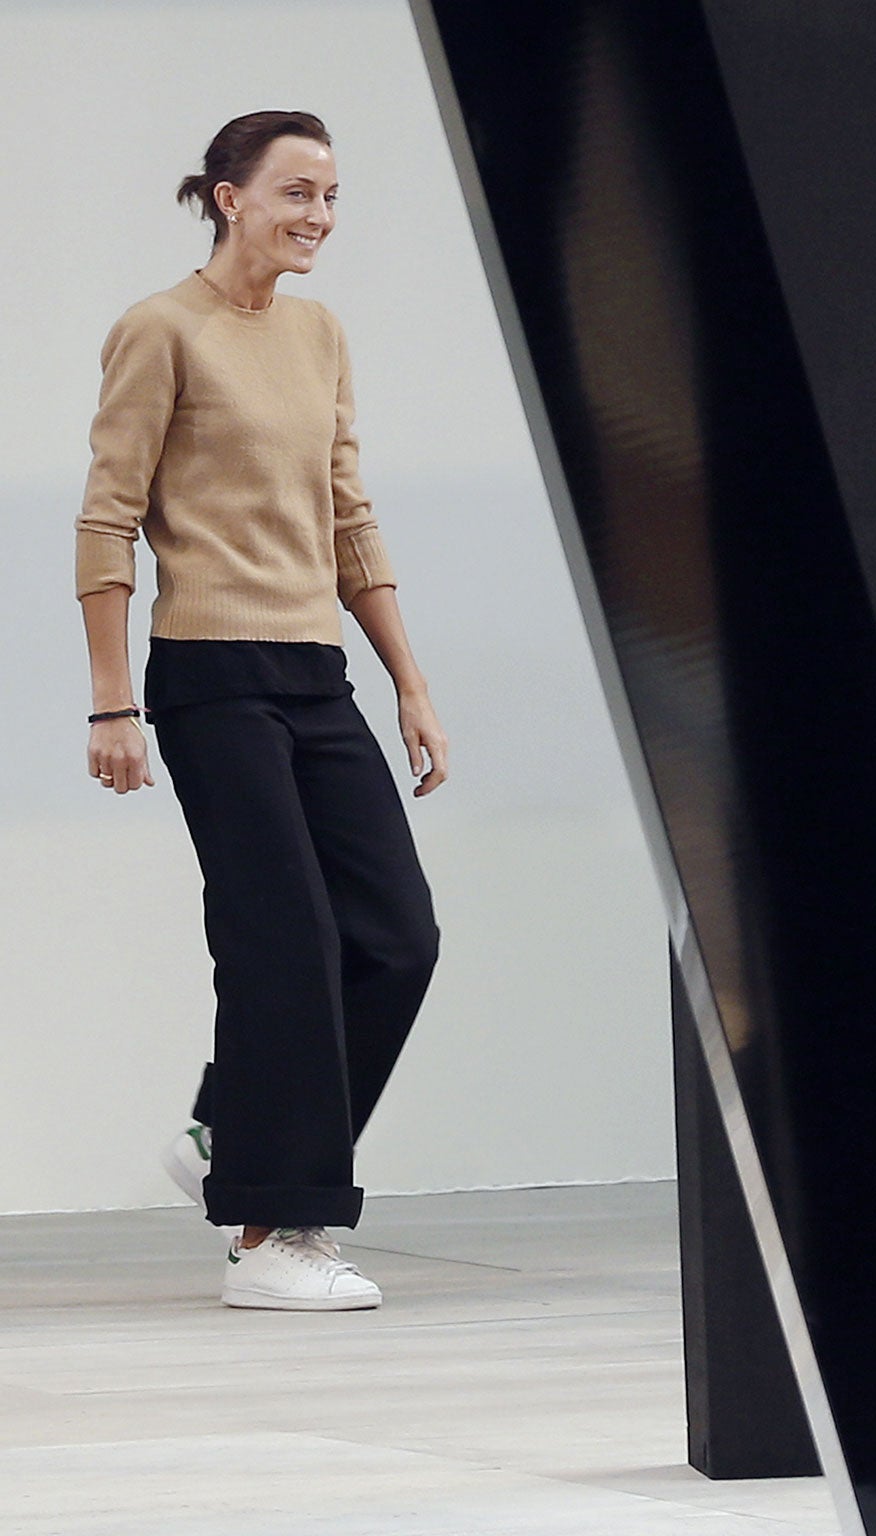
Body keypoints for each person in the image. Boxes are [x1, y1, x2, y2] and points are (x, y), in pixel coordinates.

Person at [77, 111, 446, 1310]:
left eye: (332, 196)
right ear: (228, 197)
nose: (319, 217)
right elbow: (106, 519)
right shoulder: (159, 329)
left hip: (314, 671)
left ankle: (227, 1131)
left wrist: (410, 684)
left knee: (395, 939)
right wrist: (110, 704)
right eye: (296, 192)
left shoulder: (322, 334)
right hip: (208, 674)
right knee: (283, 942)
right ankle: (273, 1234)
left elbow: (350, 518)